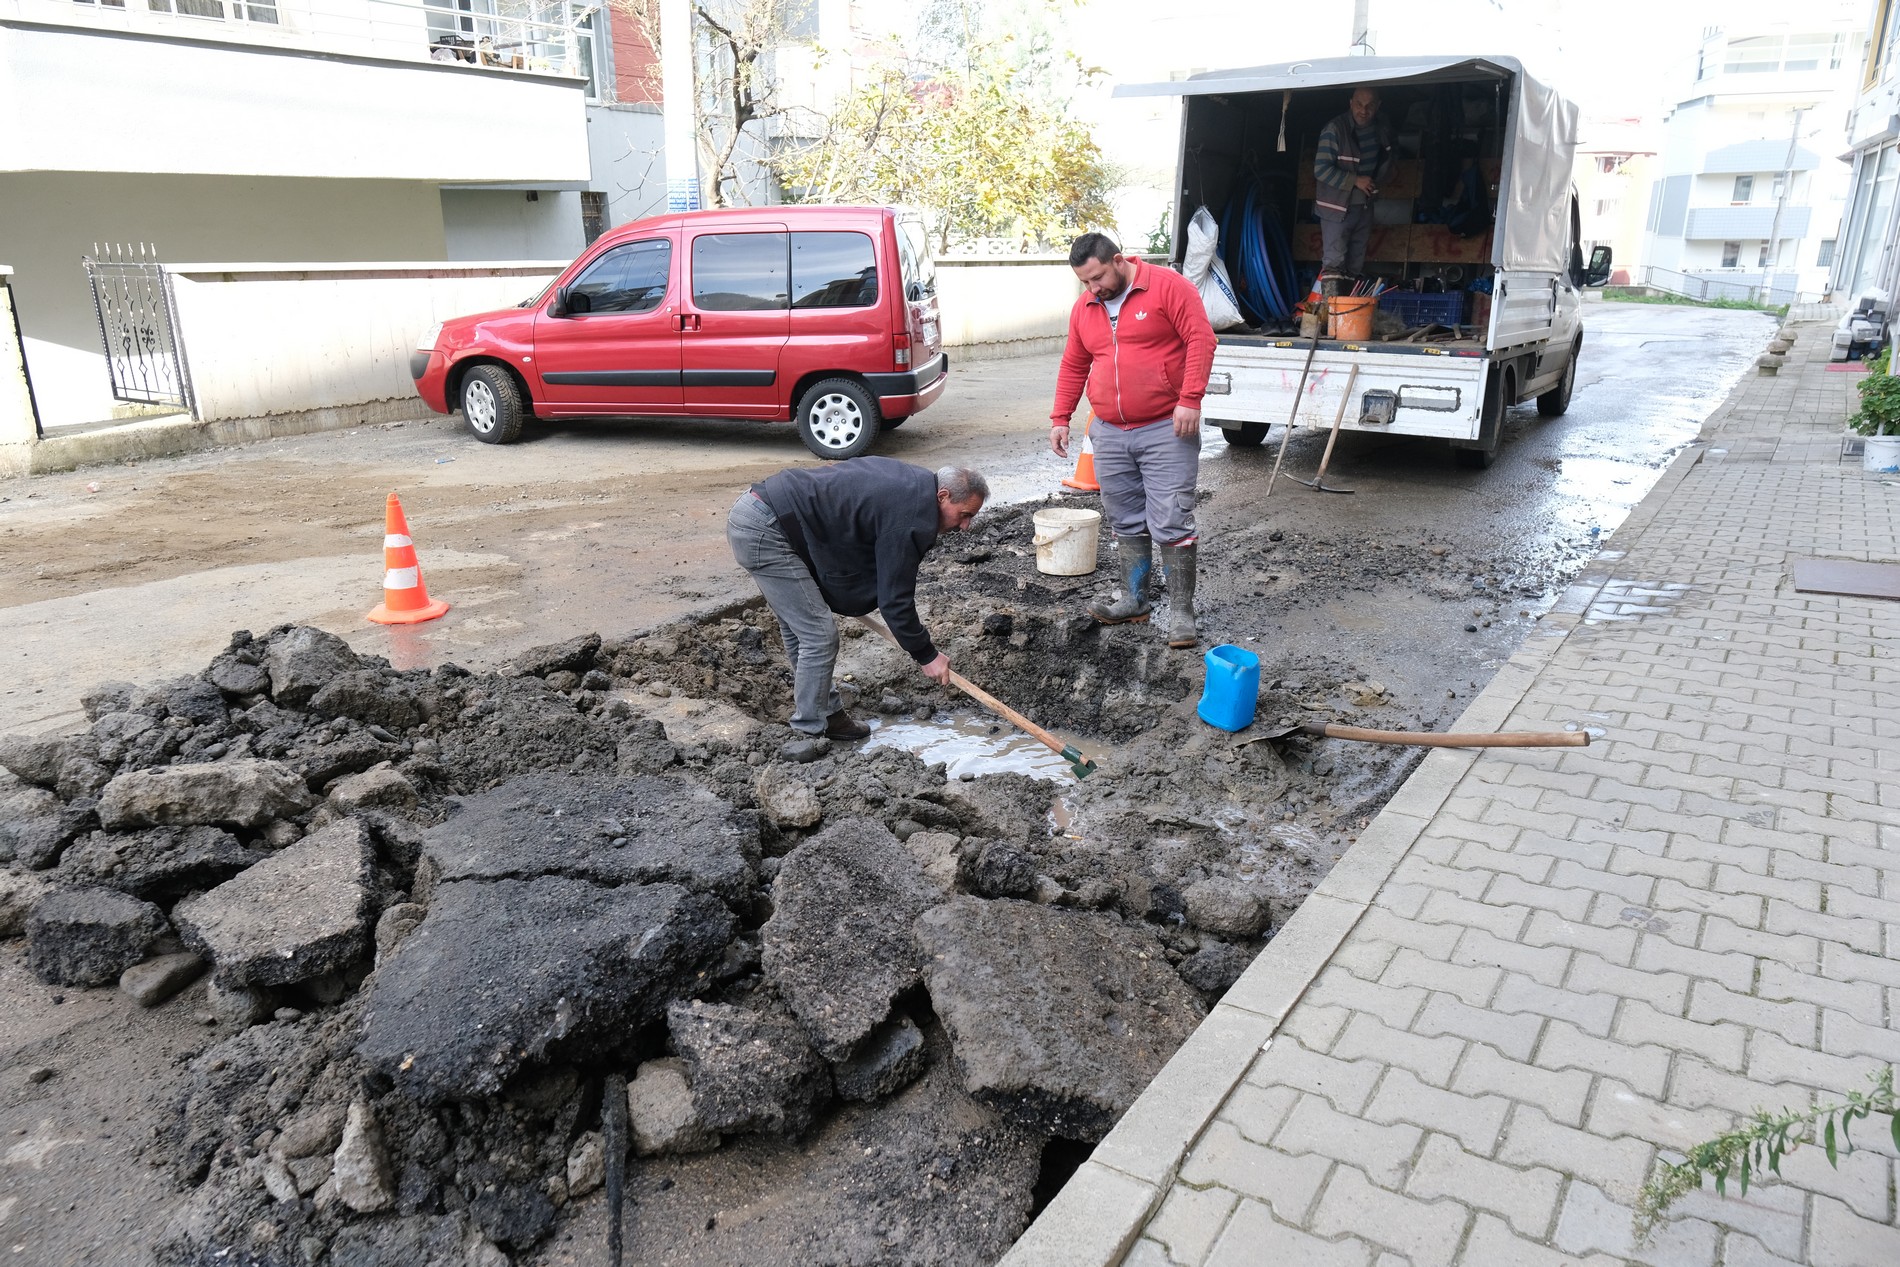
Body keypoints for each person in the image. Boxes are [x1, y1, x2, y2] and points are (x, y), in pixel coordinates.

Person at [727, 457, 987, 740]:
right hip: (766, 529)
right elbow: (895, 601)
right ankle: (807, 732)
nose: (966, 526)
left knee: (802, 633)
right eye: (964, 514)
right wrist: (927, 655)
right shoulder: (912, 516)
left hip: (770, 515)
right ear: (943, 496)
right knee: (817, 636)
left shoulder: (915, 485)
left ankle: (828, 714)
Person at [1050, 232, 1217, 648]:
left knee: (1172, 518)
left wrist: (1190, 398)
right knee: (1124, 517)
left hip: (1166, 426)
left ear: (1119, 260)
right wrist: (1060, 417)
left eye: (1098, 277)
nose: (1093, 288)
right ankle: (1135, 599)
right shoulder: (1085, 307)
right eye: (1084, 282)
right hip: (1109, 431)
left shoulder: (1167, 287)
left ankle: (1182, 613)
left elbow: (1201, 339)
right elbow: (1074, 362)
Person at [1314, 86, 1396, 284]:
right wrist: (1355, 180)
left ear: (1378, 106)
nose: (1363, 110)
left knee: (1355, 266)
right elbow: (1320, 169)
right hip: (1336, 208)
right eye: (1359, 104)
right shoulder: (1335, 129)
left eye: (1370, 106)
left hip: (1364, 206)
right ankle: (1334, 313)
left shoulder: (1381, 130)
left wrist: (1379, 180)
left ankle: (1349, 313)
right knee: (1334, 264)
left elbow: (1386, 160)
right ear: (1350, 103)